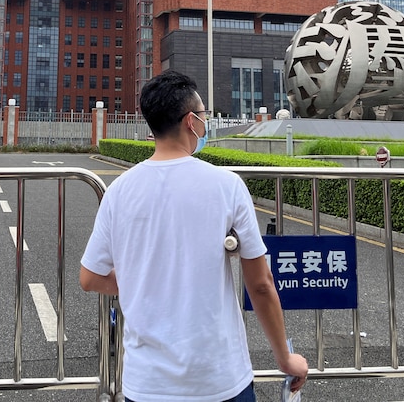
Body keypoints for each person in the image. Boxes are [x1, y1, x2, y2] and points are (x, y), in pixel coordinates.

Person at [80, 70, 308, 402]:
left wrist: (139, 278)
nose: (205, 122)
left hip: (146, 385)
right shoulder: (227, 186)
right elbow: (260, 284)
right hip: (220, 380)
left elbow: (90, 278)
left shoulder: (120, 191)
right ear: (191, 121)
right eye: (204, 115)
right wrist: (285, 358)